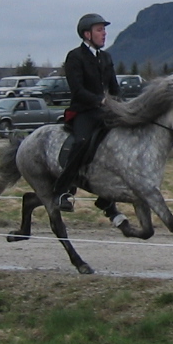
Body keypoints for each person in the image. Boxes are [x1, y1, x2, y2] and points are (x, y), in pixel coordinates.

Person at [51, 13, 121, 210]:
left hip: (105, 112)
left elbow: (115, 88)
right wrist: (100, 100)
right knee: (81, 142)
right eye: (100, 30)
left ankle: (108, 195)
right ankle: (62, 191)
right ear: (87, 34)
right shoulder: (75, 57)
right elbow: (78, 90)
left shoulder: (106, 57)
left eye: (104, 30)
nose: (104, 33)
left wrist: (122, 105)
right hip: (84, 112)